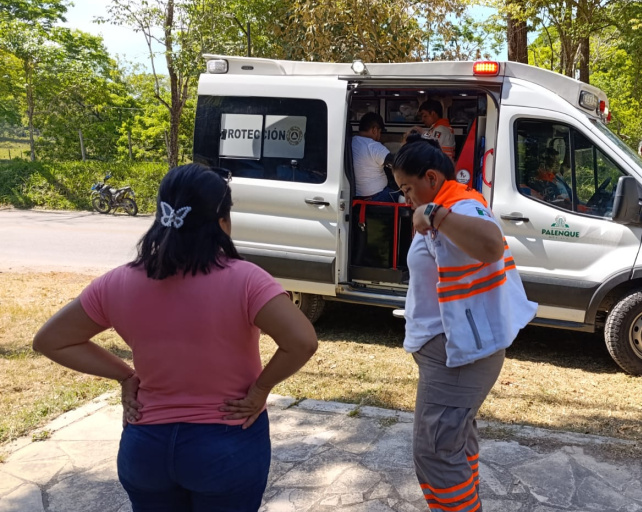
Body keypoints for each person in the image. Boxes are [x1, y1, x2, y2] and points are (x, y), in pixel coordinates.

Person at [32, 164, 318, 512]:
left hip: (145, 448)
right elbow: (302, 341)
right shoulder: (247, 280)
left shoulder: (118, 282)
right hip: (226, 447)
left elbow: (51, 340)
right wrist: (260, 390)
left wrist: (125, 376)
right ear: (222, 221)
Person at [391, 135, 537, 511]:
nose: (406, 198)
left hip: (459, 355)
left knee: (436, 451)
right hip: (454, 351)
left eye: (407, 188)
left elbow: (490, 245)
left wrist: (433, 214)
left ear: (431, 178)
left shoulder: (458, 207)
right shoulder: (455, 203)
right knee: (454, 441)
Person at [352, 112, 397, 202]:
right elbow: (397, 164)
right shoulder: (373, 146)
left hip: (358, 197)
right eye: (380, 132)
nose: (380, 136)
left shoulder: (351, 141)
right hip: (379, 197)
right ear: (374, 130)